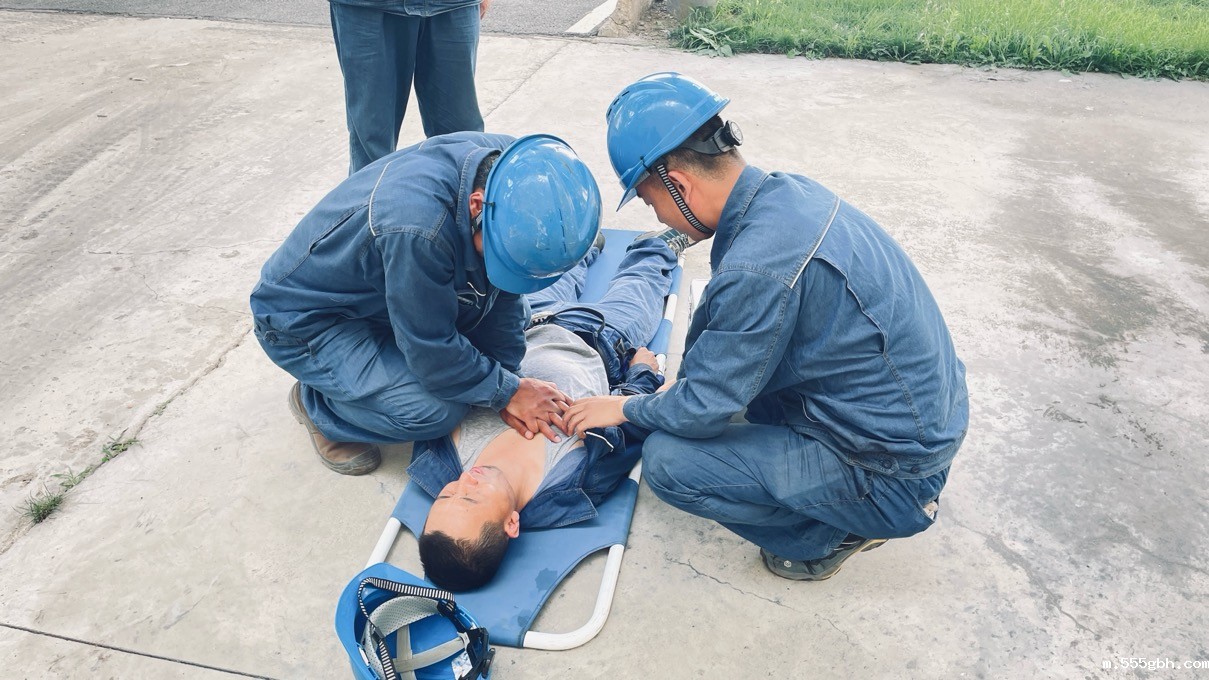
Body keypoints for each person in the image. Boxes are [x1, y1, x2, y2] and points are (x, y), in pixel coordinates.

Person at [564, 72, 969, 582]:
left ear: (679, 185)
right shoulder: (787, 196)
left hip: (894, 473)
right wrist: (682, 393)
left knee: (669, 462)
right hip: (919, 419)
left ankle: (828, 535)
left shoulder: (758, 267)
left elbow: (701, 409)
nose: (661, 217)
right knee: (716, 408)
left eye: (651, 202)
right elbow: (722, 344)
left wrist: (624, 406)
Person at [251, 132, 601, 476]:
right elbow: (431, 350)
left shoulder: (516, 170)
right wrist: (506, 392)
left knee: (503, 336)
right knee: (434, 412)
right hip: (306, 321)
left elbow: (503, 294)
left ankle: (378, 367)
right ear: (477, 205)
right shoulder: (418, 231)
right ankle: (318, 407)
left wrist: (507, 376)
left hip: (381, 289)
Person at [411, 237, 684, 591]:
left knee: (556, 260)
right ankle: (659, 245)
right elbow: (630, 425)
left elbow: (444, 379)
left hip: (520, 320)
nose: (464, 481)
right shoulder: (574, 484)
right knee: (642, 280)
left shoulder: (438, 457)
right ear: (512, 524)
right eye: (472, 496)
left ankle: (586, 247)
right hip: (605, 338)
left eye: (446, 495)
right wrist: (642, 373)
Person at [329, 0, 492, 174]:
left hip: (454, 4)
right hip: (367, 7)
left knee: (463, 148)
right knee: (372, 147)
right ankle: (372, 192)